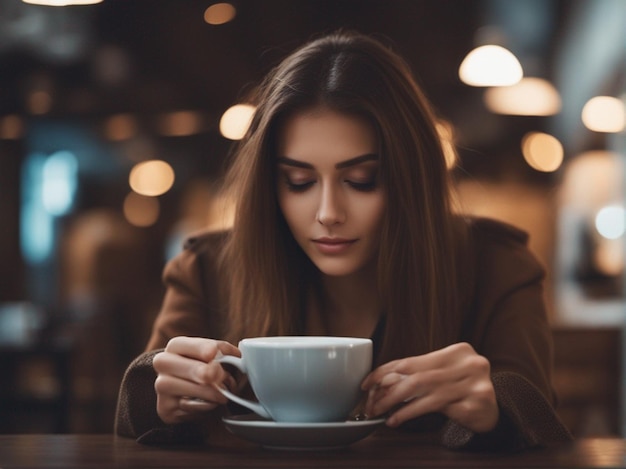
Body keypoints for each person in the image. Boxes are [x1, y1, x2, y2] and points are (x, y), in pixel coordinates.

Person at [115, 30, 572, 451]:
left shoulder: (497, 265)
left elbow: (543, 425)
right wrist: (159, 396)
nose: (328, 213)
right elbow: (136, 415)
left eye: (361, 180)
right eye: (298, 181)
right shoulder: (208, 269)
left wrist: (496, 405)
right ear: (268, 186)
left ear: (409, 178)